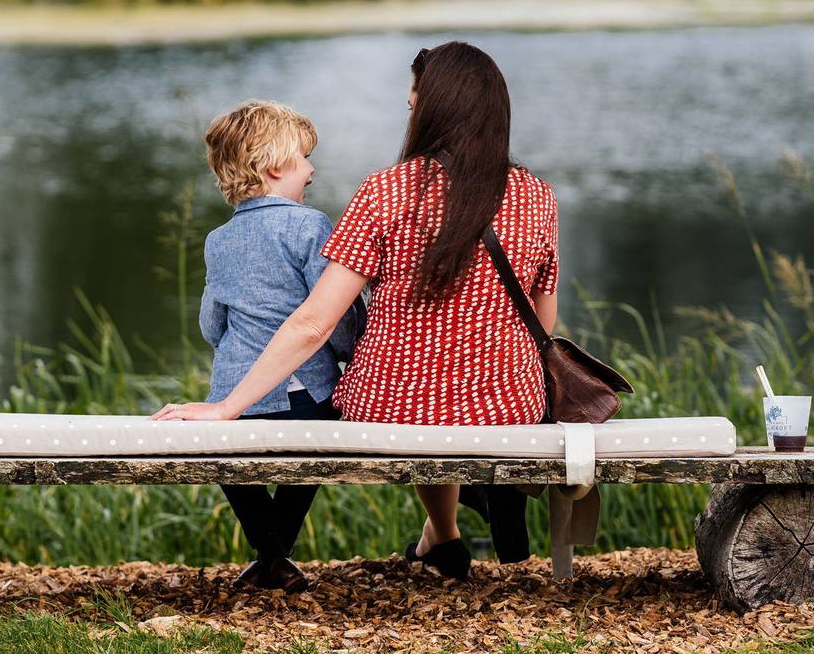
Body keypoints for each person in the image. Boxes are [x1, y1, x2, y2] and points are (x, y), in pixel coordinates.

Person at [157, 42, 558, 582]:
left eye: (415, 104)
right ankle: (444, 534)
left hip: (395, 403)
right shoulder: (537, 196)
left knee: (423, 389)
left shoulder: (386, 192)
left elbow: (315, 321)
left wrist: (229, 408)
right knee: (453, 391)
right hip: (508, 405)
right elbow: (543, 321)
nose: (410, 114)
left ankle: (441, 534)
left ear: (434, 110)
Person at [197, 100, 367, 592]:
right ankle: (275, 556)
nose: (312, 168)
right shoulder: (310, 227)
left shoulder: (218, 240)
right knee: (310, 454)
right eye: (303, 158)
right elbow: (333, 318)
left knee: (231, 464)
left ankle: (269, 557)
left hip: (237, 394)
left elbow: (212, 326)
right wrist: (347, 349)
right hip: (307, 394)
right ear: (274, 167)